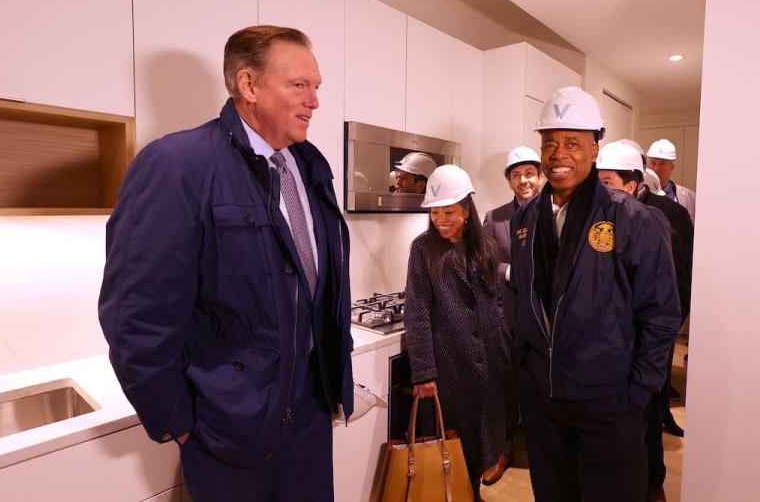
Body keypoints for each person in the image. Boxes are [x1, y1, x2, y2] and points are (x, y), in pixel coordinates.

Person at [98, 25, 354, 502]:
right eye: (299, 85)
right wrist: (180, 424)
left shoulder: (309, 165)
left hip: (310, 420)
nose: (314, 101)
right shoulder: (177, 165)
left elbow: (321, 288)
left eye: (316, 87)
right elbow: (136, 317)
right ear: (248, 85)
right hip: (229, 433)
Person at [510, 87, 682, 501]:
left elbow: (661, 315)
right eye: (549, 143)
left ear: (594, 148)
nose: (558, 154)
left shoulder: (636, 220)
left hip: (608, 401)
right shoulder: (527, 218)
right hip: (545, 400)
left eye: (572, 143)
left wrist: (637, 394)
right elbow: (522, 297)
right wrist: (525, 370)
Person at [403, 164, 511, 501]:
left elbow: (495, 303)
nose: (440, 220)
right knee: (451, 444)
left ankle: (473, 493)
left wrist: (504, 347)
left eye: (448, 211)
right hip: (450, 365)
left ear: (467, 210)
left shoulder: (486, 247)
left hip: (489, 362)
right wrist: (424, 371)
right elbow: (416, 309)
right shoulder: (423, 249)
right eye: (435, 212)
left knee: (482, 442)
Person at [597, 141, 693, 502]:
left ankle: (654, 485)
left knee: (649, 418)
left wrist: (659, 345)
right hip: (607, 351)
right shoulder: (595, 216)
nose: (602, 191)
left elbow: (678, 286)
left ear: (634, 182)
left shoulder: (667, 215)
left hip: (648, 345)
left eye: (607, 182)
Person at [480, 145, 544, 485]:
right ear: (509, 181)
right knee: (503, 385)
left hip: (545, 319)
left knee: (539, 386)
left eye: (529, 173)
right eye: (517, 175)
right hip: (505, 316)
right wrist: (509, 272)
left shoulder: (555, 212)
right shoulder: (495, 217)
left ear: (540, 176)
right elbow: (481, 260)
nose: (524, 180)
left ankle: (541, 449)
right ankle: (502, 449)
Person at [646, 138, 696, 222]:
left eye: (662, 164)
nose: (656, 168)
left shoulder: (690, 197)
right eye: (653, 163)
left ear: (672, 167)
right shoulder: (638, 194)